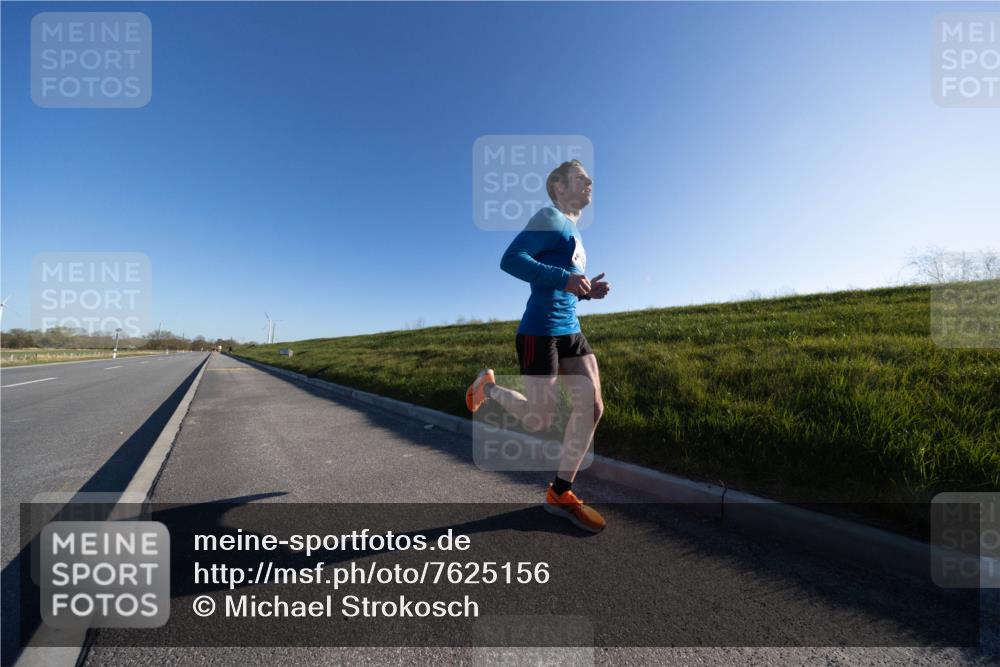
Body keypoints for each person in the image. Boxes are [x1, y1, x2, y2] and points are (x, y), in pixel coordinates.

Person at [466, 159, 610, 532]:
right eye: (581, 178)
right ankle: (488, 387)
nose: (590, 182)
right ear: (559, 187)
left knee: (593, 407)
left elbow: (564, 284)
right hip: (540, 332)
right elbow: (511, 260)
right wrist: (565, 278)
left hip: (570, 329)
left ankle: (560, 492)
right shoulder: (549, 217)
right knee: (539, 418)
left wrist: (587, 291)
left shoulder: (573, 231)